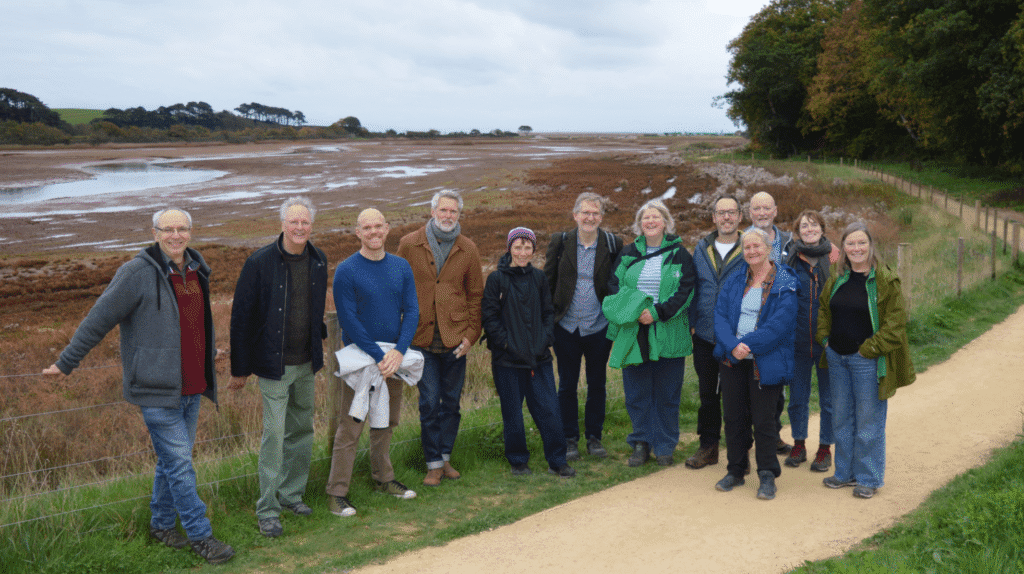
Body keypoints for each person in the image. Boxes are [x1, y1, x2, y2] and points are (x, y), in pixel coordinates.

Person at [42, 208, 234, 564]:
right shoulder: (135, 273)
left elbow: (194, 323)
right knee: (180, 465)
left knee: (171, 462)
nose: (175, 235)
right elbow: (99, 318)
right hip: (156, 389)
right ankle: (201, 536)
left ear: (191, 232)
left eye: (182, 229)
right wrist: (66, 362)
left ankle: (161, 525)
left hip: (193, 386)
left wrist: (210, 353)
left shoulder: (196, 268)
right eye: (168, 229)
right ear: (154, 232)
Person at [228, 197, 328, 537]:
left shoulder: (318, 259)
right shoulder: (259, 262)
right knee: (273, 435)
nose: (299, 227)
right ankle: (267, 509)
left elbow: (313, 309)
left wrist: (319, 337)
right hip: (274, 366)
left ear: (311, 225)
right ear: (282, 224)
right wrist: (240, 368)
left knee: (301, 431)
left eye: (305, 222)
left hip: (306, 364)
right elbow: (241, 317)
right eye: (293, 222)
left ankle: (291, 496)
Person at [327, 208, 420, 517]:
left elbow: (412, 311)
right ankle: (337, 493)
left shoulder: (401, 266)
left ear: (387, 228)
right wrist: (380, 357)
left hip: (393, 360)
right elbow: (348, 320)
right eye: (367, 228)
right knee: (351, 426)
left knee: (387, 422)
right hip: (361, 362)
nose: (374, 232)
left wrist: (399, 352)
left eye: (378, 226)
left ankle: (384, 479)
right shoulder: (347, 270)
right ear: (358, 233)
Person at [817, 221, 915, 499]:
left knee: (869, 421)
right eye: (851, 243)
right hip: (837, 358)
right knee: (841, 418)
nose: (856, 248)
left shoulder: (884, 280)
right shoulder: (837, 277)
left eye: (862, 242)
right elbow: (823, 309)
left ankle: (868, 478)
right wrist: (825, 340)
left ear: (871, 245)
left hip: (867, 361)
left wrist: (869, 349)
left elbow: (895, 324)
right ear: (843, 248)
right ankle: (844, 473)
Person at [397, 190, 484, 487]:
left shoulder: (468, 248)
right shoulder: (409, 244)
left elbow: (476, 295)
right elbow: (398, 287)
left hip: (455, 340)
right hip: (420, 339)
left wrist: (471, 336)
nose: (448, 216)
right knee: (429, 403)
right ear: (432, 211)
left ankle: (445, 457)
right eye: (444, 210)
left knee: (452, 404)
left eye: (453, 211)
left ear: (459, 214)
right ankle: (433, 464)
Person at [602, 200, 695, 467]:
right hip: (634, 332)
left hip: (669, 330)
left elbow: (686, 290)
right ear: (639, 224)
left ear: (665, 222)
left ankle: (665, 444)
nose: (651, 221)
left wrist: (656, 312)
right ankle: (641, 443)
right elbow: (614, 286)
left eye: (656, 217)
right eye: (646, 218)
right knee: (637, 392)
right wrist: (635, 311)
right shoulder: (628, 253)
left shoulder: (680, 254)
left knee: (668, 393)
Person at [482, 227, 575, 478]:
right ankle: (518, 462)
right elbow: (490, 318)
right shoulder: (496, 279)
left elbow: (548, 313)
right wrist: (506, 344)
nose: (522, 252)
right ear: (509, 248)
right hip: (507, 360)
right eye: (518, 247)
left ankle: (557, 461)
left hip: (539, 358)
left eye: (527, 247)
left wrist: (545, 340)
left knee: (549, 410)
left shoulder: (539, 278)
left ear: (534, 250)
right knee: (512, 413)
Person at [712, 228, 797, 501]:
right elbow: (720, 316)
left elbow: (781, 324)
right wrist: (732, 346)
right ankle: (736, 470)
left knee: (764, 421)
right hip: (733, 360)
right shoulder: (736, 279)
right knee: (734, 418)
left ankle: (767, 474)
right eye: (747, 247)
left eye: (757, 246)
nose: (752, 252)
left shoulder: (785, 280)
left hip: (766, 359)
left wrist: (746, 344)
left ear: (769, 248)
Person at [544, 192, 623, 461]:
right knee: (566, 385)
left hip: (599, 327)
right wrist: (548, 321)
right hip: (565, 327)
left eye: (595, 213)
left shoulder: (613, 243)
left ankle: (594, 437)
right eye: (585, 212)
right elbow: (548, 281)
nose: (590, 217)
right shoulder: (560, 241)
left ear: (601, 217)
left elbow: (618, 283)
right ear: (575, 215)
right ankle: (569, 439)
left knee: (597, 383)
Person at [684, 195, 745, 470]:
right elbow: (693, 287)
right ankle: (708, 447)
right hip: (705, 335)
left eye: (731, 212)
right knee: (708, 395)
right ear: (714, 218)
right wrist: (693, 322)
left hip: (736, 337)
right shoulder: (701, 248)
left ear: (740, 216)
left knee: (738, 397)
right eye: (721, 213)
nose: (726, 217)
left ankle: (740, 451)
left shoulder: (750, 246)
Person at [781, 210, 840, 472]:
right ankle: (799, 444)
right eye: (804, 226)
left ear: (822, 229)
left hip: (828, 341)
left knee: (829, 399)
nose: (809, 229)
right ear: (797, 231)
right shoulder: (790, 258)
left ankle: (825, 449)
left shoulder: (835, 256)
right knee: (797, 398)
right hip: (797, 341)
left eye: (814, 225)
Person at [747, 190, 794, 454]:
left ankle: (772, 435)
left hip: (779, 325)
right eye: (757, 208)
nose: (762, 213)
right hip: (747, 324)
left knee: (776, 386)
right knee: (746, 387)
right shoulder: (744, 240)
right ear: (750, 213)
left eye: (767, 208)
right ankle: (745, 441)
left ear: (775, 211)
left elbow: (826, 254)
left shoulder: (789, 242)